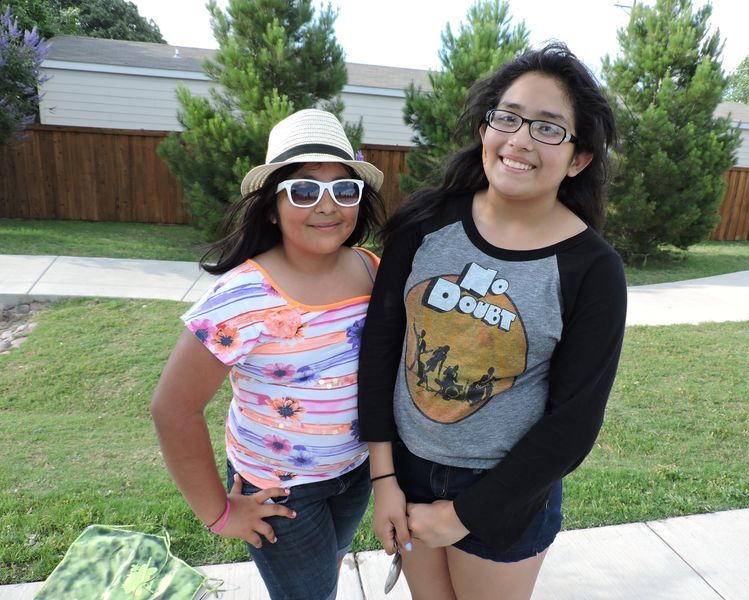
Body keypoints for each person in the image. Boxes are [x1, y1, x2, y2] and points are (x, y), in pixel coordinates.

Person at [358, 42, 627, 600]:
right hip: (405, 472)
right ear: (485, 129)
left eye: (548, 128)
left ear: (578, 159)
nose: (520, 139)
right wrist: (383, 477)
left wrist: (464, 515)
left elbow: (573, 423)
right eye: (508, 117)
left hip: (508, 493)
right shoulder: (424, 223)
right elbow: (380, 348)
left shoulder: (592, 269)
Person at [151, 108, 385, 600]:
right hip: (278, 489)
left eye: (345, 189)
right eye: (304, 190)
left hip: (356, 471)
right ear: (273, 207)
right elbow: (173, 408)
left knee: (330, 565)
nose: (327, 206)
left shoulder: (371, 270)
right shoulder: (241, 297)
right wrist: (219, 513)